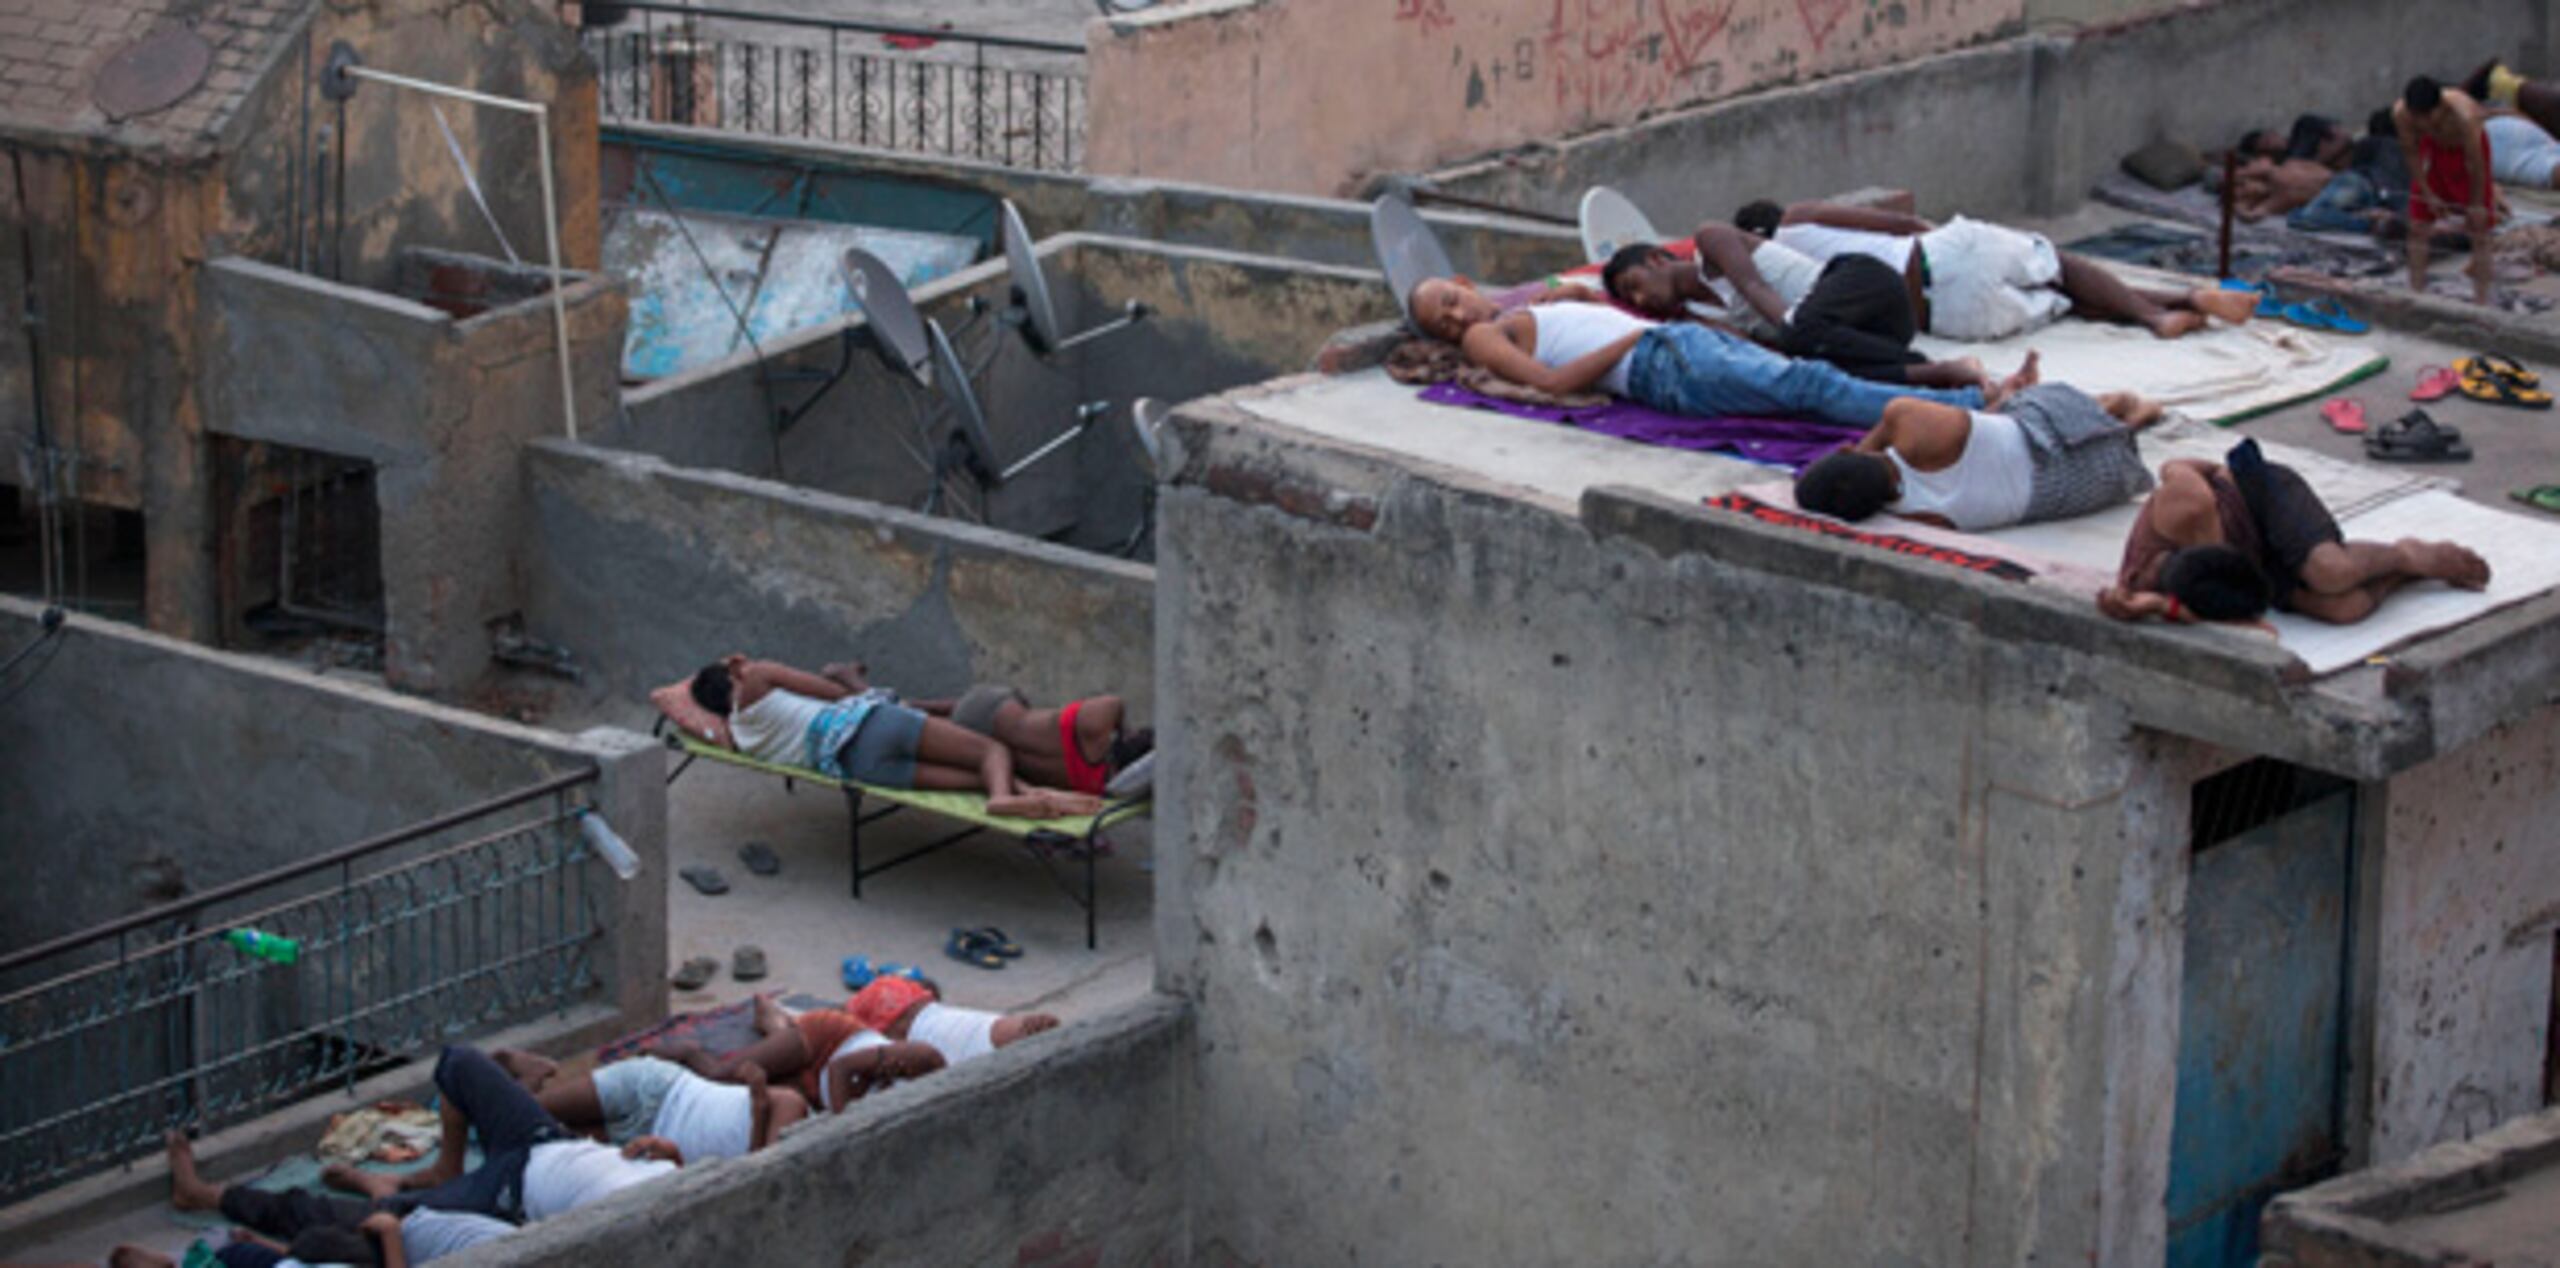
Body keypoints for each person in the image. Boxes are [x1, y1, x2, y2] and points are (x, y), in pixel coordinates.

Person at [1404, 276, 2039, 430]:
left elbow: (1558, 299)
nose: (1457, 320)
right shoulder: (1488, 338)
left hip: (1673, 351)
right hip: (1660, 361)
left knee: (1808, 381)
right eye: (1443, 323)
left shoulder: (1516, 309)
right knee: (1812, 388)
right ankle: (1970, 403)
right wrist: (1631, 335)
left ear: (1464, 287)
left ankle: (1966, 402)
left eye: (1451, 302)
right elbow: (1551, 383)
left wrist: (1568, 295)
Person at [1732, 198, 2258, 340]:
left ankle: (2184, 305)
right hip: (1940, 256)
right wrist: (1945, 235)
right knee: (2062, 266)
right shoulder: (1797, 220)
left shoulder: (1779, 292)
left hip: (1950, 318)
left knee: (2067, 299)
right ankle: (2157, 315)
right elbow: (1897, 223)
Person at [651, 654, 1101, 820]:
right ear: (733, 676)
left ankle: (1026, 794)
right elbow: (831, 694)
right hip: (873, 725)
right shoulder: (757, 679)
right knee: (992, 749)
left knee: (979, 777)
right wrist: (846, 680)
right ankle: (1008, 796)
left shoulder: (742, 738)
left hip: (862, 767)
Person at [2097, 438, 2490, 625]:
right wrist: (2154, 606)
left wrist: (2222, 474)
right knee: (2342, 608)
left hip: (2258, 496)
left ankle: (2405, 554)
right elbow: (2260, 631)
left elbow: (2177, 464)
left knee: (2330, 572)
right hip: (2253, 559)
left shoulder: (2185, 506)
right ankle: (2402, 575)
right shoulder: (2143, 584)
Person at [318, 1045, 681, 1221]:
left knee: (395, 1217)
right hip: (550, 1140)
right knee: (457, 1062)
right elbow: (681, 1167)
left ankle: (379, 1189)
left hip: (514, 1187)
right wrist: (666, 1151)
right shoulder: (678, 1188)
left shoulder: (631, 1229)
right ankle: (447, 1166)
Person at [1600, 233, 1992, 391]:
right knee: (1817, 372)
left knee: (1797, 337)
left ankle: (1926, 368)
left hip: (1864, 283)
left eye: (1634, 285)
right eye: (1628, 298)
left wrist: (1792, 334)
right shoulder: (1695, 318)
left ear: (1655, 259)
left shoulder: (1712, 242)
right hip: (1866, 337)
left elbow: (1755, 287)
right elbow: (1763, 354)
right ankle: (1943, 372)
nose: (1638, 300)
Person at [1793, 386, 2163, 531]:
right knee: (2014, 409)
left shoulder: (1924, 519)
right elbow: (1991, 416)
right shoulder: (1910, 422)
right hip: (2061, 440)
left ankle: (2130, 422)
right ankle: (2119, 408)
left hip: (2096, 483)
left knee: (1996, 429)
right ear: (1845, 450)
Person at [162, 1130, 518, 1265]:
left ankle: (202, 1195)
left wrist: (390, 1233)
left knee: (308, 1219)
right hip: (425, 1216)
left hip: (397, 1237)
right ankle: (378, 1188)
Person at [484, 1046, 808, 1164]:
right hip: (656, 1090)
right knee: (518, 1110)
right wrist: (761, 1106)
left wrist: (760, 1107)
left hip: (648, 1146)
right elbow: (764, 1170)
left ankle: (532, 1080)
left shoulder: (768, 1109)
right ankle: (533, 1070)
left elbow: (752, 1176)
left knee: (534, 1137)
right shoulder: (792, 1106)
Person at [655, 991, 950, 1114]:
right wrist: (845, 1126)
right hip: (829, 1040)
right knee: (720, 1076)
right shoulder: (926, 1060)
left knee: (763, 1097)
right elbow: (841, 1069)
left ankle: (775, 1022)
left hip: (820, 1091)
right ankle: (687, 1051)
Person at [912, 685, 1153, 798]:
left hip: (989, 709)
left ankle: (912, 705)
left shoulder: (1095, 727)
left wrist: (1123, 729)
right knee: (944, 726)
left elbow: (1115, 702)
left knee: (1006, 703)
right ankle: (911, 710)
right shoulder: (1097, 786)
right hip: (986, 750)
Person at [2394, 75, 2497, 304]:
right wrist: (2428, 193)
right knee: (2418, 227)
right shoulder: (2402, 114)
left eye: (2428, 117)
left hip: (2467, 155)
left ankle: (2481, 300)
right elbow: (2411, 154)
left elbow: (2477, 165)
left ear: (2440, 107)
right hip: (2433, 152)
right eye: (2417, 119)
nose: (2422, 124)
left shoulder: (2465, 116)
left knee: (2480, 231)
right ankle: (2416, 292)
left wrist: (2477, 204)